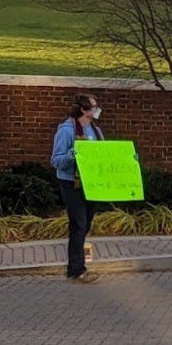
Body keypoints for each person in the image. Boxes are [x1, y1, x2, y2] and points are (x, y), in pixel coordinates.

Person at [51, 93, 103, 283]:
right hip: (72, 184)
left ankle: (77, 265)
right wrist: (74, 154)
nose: (97, 109)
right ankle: (76, 269)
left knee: (85, 224)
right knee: (78, 224)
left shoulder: (96, 131)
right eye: (94, 106)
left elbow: (103, 155)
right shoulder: (66, 130)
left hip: (91, 184)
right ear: (83, 109)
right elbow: (56, 160)